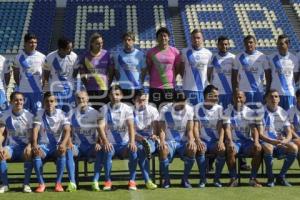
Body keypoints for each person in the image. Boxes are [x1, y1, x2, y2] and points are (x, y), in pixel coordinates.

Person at [31, 92, 75, 192]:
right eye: (47, 101)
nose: (49, 103)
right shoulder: (39, 113)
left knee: (63, 150)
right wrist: (34, 144)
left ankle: (58, 183)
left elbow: (67, 130)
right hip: (44, 147)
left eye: (52, 101)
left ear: (55, 102)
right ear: (43, 103)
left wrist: (64, 143)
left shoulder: (62, 113)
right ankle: (41, 184)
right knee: (36, 153)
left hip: (56, 146)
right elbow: (35, 129)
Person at [97, 85, 138, 190]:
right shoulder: (103, 109)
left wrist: (132, 142)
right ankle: (107, 181)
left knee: (134, 150)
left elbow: (131, 127)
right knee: (107, 150)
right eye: (112, 94)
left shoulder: (127, 108)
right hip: (111, 144)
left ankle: (132, 181)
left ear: (122, 96)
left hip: (124, 144)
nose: (115, 97)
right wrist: (105, 142)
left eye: (117, 94)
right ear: (109, 96)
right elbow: (100, 127)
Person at [258, 89, 298, 187]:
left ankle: (281, 176)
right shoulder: (260, 112)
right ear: (266, 99)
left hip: (280, 142)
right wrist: (272, 141)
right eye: (271, 96)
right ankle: (270, 178)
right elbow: (260, 134)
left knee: (294, 147)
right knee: (269, 148)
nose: (274, 99)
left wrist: (285, 141)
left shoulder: (283, 112)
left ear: (279, 99)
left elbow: (289, 133)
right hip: (266, 141)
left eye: (276, 96)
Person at [223, 90, 262, 187]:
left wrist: (256, 142)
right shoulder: (227, 111)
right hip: (235, 142)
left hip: (247, 142)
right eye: (236, 97)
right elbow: (227, 129)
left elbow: (254, 129)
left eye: (240, 97)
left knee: (258, 149)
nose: (238, 99)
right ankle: (233, 179)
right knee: (230, 149)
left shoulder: (250, 112)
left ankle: (252, 179)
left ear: (245, 99)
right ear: (233, 98)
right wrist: (230, 142)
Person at [158, 90, 196, 188]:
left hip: (183, 142)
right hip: (169, 141)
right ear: (174, 101)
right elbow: (161, 129)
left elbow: (190, 130)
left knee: (192, 148)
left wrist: (191, 140)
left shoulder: (190, 109)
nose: (183, 103)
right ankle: (166, 180)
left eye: (184, 101)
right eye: (180, 102)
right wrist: (162, 141)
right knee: (162, 149)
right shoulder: (165, 109)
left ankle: (185, 179)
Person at [68, 91, 103, 191]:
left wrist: (98, 142)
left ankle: (95, 181)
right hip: (77, 147)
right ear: (75, 100)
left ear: (87, 99)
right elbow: (68, 132)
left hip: (91, 146)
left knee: (101, 150)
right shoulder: (70, 114)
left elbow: (101, 130)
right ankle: (72, 182)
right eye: (78, 98)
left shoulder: (95, 113)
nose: (81, 100)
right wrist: (69, 143)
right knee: (68, 150)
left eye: (83, 98)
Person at [0, 92, 34, 193]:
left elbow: (33, 135)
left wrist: (29, 145)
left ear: (23, 101)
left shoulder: (29, 116)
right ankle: (5, 184)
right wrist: (0, 146)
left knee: (29, 152)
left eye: (20, 100)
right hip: (11, 148)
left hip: (24, 147)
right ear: (11, 102)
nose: (18, 102)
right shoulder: (5, 115)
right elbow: (2, 133)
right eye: (15, 100)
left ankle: (26, 184)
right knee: (1, 153)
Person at [193, 85, 226, 188]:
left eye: (217, 96)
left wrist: (221, 141)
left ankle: (216, 179)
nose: (217, 98)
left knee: (222, 149)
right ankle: (203, 179)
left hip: (214, 141)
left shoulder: (219, 108)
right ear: (207, 96)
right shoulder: (198, 107)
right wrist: (198, 140)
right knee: (200, 149)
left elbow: (221, 128)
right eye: (214, 96)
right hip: (203, 140)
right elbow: (195, 127)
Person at [146, 27, 181, 108]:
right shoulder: (151, 52)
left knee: (168, 112)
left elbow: (177, 68)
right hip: (155, 86)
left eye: (165, 36)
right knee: (154, 111)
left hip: (169, 87)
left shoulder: (175, 51)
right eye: (160, 36)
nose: (163, 38)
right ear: (157, 38)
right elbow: (149, 68)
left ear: (168, 37)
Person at [78, 33, 114, 110]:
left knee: (104, 112)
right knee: (92, 112)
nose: (100, 45)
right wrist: (86, 84)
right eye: (97, 43)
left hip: (104, 89)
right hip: (91, 89)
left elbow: (111, 72)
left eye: (101, 43)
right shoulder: (85, 56)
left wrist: (108, 83)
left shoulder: (107, 54)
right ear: (92, 44)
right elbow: (82, 73)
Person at [13, 33, 46, 114]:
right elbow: (16, 75)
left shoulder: (42, 57)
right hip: (23, 91)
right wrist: (22, 85)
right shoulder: (18, 57)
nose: (33, 44)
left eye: (35, 42)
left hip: (37, 91)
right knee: (24, 114)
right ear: (25, 43)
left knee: (37, 114)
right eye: (31, 42)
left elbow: (45, 75)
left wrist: (41, 86)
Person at [232, 35, 268, 109]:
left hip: (258, 92)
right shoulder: (238, 57)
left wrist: (266, 92)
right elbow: (234, 77)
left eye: (251, 42)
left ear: (255, 43)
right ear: (244, 44)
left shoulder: (262, 57)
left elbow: (268, 76)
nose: (249, 44)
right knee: (244, 116)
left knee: (258, 116)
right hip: (243, 92)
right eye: (247, 43)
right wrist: (235, 91)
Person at [43, 37, 78, 113]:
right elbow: (46, 74)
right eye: (69, 48)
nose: (71, 50)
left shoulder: (74, 56)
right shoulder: (50, 57)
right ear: (61, 49)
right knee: (56, 114)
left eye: (71, 48)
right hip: (55, 91)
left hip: (69, 91)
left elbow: (75, 72)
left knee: (70, 114)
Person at [132, 90, 159, 189]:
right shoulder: (130, 112)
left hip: (150, 139)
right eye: (139, 100)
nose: (142, 102)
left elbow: (156, 126)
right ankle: (147, 180)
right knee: (139, 149)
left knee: (144, 149)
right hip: (136, 139)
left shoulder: (152, 110)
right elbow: (130, 132)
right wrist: (140, 139)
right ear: (134, 100)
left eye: (144, 100)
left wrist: (155, 134)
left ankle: (139, 180)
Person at [266, 34, 299, 111]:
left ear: (287, 44)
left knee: (289, 118)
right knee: (276, 118)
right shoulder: (270, 57)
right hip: (275, 94)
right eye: (278, 44)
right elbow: (268, 76)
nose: (279, 46)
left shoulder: (294, 59)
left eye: (281, 44)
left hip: (289, 94)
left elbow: (296, 77)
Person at [113, 32, 147, 103]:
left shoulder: (140, 54)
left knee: (137, 111)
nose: (127, 42)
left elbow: (144, 70)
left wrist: (140, 82)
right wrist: (121, 82)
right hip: (123, 88)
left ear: (133, 41)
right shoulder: (118, 56)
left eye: (129, 40)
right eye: (125, 40)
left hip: (137, 88)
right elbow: (116, 71)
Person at [181, 29, 212, 105]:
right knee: (188, 114)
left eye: (198, 38)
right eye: (194, 38)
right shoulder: (184, 51)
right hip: (188, 89)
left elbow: (209, 72)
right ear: (191, 39)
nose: (196, 40)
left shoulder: (208, 53)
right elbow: (181, 69)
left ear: (202, 39)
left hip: (203, 89)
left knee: (200, 114)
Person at [208, 36, 235, 109]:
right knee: (216, 114)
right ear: (218, 45)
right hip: (216, 93)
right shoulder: (213, 58)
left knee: (228, 115)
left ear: (229, 45)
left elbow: (236, 76)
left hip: (229, 92)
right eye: (222, 44)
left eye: (226, 44)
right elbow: (208, 74)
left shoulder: (233, 58)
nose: (224, 46)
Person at [288, 89, 300, 166]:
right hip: (294, 137)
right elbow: (290, 128)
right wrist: (298, 137)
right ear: (297, 98)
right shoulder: (291, 110)